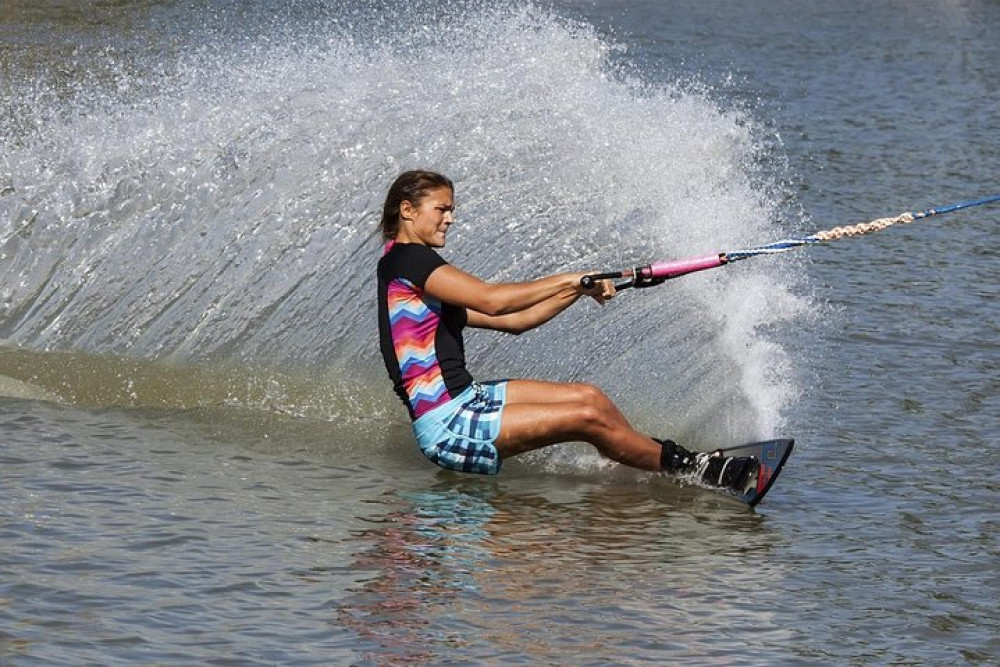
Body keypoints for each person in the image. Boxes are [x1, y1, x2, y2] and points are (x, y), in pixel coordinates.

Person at [376, 169, 757, 488]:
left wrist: (577, 290)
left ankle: (641, 457)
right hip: (449, 425)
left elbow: (515, 322)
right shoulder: (409, 261)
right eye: (442, 209)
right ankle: (696, 469)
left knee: (588, 398)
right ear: (408, 210)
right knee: (585, 419)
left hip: (468, 399)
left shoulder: (411, 272)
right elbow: (494, 300)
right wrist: (570, 278)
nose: (450, 218)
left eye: (451, 210)